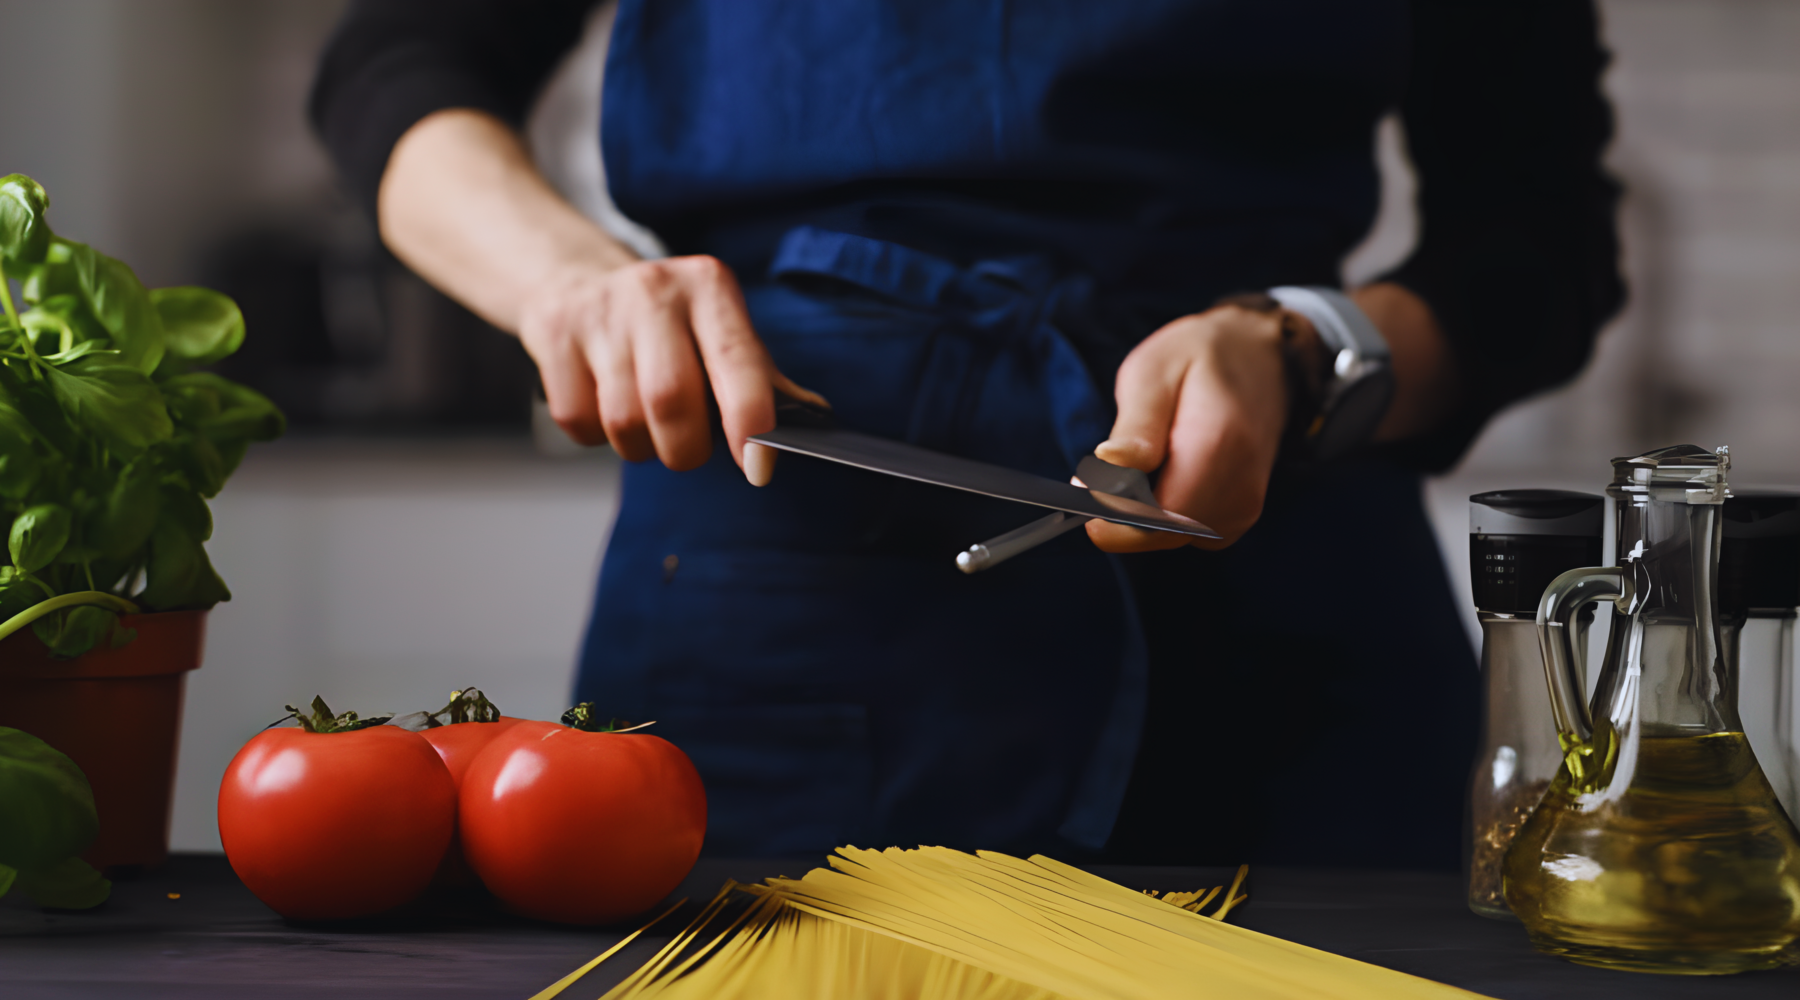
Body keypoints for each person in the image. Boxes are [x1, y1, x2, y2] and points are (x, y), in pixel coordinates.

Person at [310, 0, 1623, 868]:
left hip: (1288, 577)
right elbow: (394, 64)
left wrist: (1298, 345)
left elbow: (1539, 247)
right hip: (776, 577)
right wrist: (566, 280)